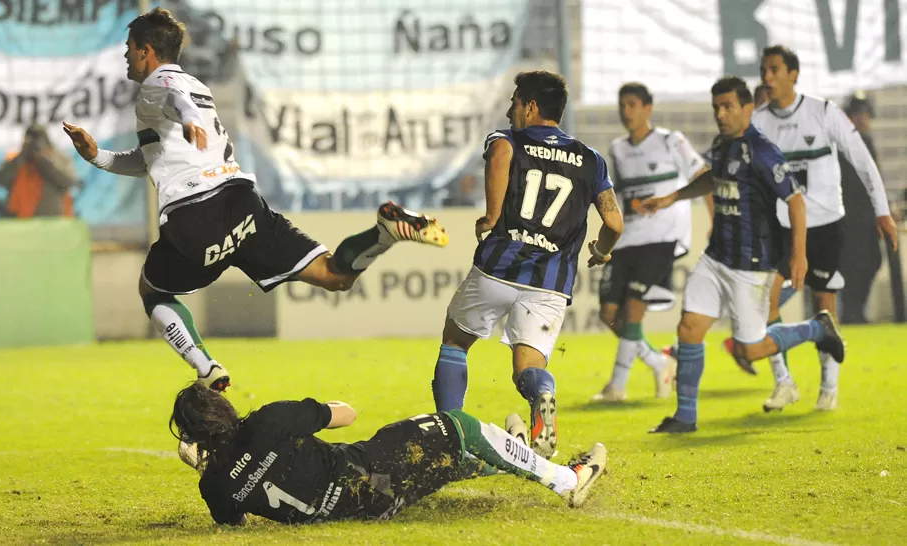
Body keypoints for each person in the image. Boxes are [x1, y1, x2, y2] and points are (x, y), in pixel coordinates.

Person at [63, 8, 448, 392]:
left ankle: (207, 367)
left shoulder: (157, 85)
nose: (126, 56)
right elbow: (153, 159)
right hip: (242, 204)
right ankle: (383, 234)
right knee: (335, 276)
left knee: (154, 291)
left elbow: (176, 99)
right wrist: (97, 155)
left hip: (196, 217)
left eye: (129, 48)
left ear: (146, 51)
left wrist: (189, 118)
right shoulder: (198, 85)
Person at [430, 70, 624, 459]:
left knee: (455, 342)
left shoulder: (508, 140)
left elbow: (500, 156)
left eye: (515, 102)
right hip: (551, 283)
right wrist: (601, 251)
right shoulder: (590, 159)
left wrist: (491, 215)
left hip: (498, 268)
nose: (509, 110)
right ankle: (544, 396)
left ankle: (452, 437)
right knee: (527, 368)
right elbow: (614, 223)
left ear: (531, 107)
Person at [635, 76, 845, 433]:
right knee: (689, 328)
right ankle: (685, 416)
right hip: (717, 258)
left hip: (752, 265)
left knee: (750, 350)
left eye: (728, 106)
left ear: (748, 109)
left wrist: (799, 256)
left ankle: (817, 328)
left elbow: (795, 202)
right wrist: (671, 197)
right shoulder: (722, 145)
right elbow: (712, 179)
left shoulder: (761, 151)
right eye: (716, 107)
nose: (721, 113)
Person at [170, 382, 608, 525]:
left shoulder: (213, 485)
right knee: (458, 426)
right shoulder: (265, 422)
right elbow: (346, 414)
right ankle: (569, 479)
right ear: (221, 409)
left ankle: (519, 452)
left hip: (369, 509)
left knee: (440, 459)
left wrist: (210, 466)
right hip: (371, 473)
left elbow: (233, 518)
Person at [738, 45, 897, 412]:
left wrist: (882, 211)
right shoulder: (759, 123)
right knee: (765, 303)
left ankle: (828, 387)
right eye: (765, 70)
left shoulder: (824, 113)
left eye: (775, 69)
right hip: (782, 227)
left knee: (824, 306)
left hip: (825, 225)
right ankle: (785, 383)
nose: (768, 77)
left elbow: (862, 160)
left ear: (794, 73)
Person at [591, 82, 714, 403]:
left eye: (633, 104)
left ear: (648, 107)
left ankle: (616, 386)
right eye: (622, 105)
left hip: (662, 237)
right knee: (609, 314)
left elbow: (705, 178)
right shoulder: (616, 149)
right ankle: (660, 363)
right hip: (628, 238)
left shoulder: (671, 141)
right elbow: (618, 195)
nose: (626, 111)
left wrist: (715, 221)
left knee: (634, 310)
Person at [838, 92, 882, 325]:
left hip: (865, 217)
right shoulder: (849, 144)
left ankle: (854, 312)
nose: (862, 120)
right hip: (852, 218)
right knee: (856, 265)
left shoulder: (864, 142)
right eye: (857, 115)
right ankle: (852, 313)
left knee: (871, 262)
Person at [0, 124, 80, 218]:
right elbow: (0, 179)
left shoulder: (59, 158)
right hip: (20, 219)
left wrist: (43, 160)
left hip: (52, 219)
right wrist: (22, 157)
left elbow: (67, 182)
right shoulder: (17, 159)